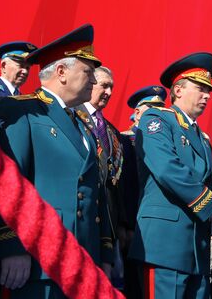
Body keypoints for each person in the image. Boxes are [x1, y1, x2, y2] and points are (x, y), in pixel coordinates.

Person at [0, 24, 114, 298]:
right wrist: (12, 246)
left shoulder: (85, 127)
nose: (93, 80)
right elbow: (8, 186)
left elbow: (96, 194)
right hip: (40, 261)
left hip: (83, 261)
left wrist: (104, 254)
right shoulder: (22, 111)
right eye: (87, 72)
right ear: (61, 72)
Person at [129, 52, 212, 299]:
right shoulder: (156, 119)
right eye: (200, 88)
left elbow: (207, 181)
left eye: (208, 90)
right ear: (177, 90)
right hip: (164, 247)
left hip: (196, 249)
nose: (207, 95)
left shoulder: (202, 137)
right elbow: (167, 169)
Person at [74, 66, 126, 288]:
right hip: (81, 218)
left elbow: (117, 183)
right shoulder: (72, 116)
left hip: (108, 225)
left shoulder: (112, 131)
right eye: (104, 85)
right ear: (90, 84)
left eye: (112, 87)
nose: (109, 92)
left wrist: (122, 223)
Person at [119, 85, 167, 299]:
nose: (157, 115)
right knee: (134, 286)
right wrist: (126, 224)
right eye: (151, 110)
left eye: (161, 109)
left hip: (158, 225)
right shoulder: (123, 141)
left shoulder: (166, 140)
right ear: (137, 113)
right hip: (133, 225)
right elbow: (122, 186)